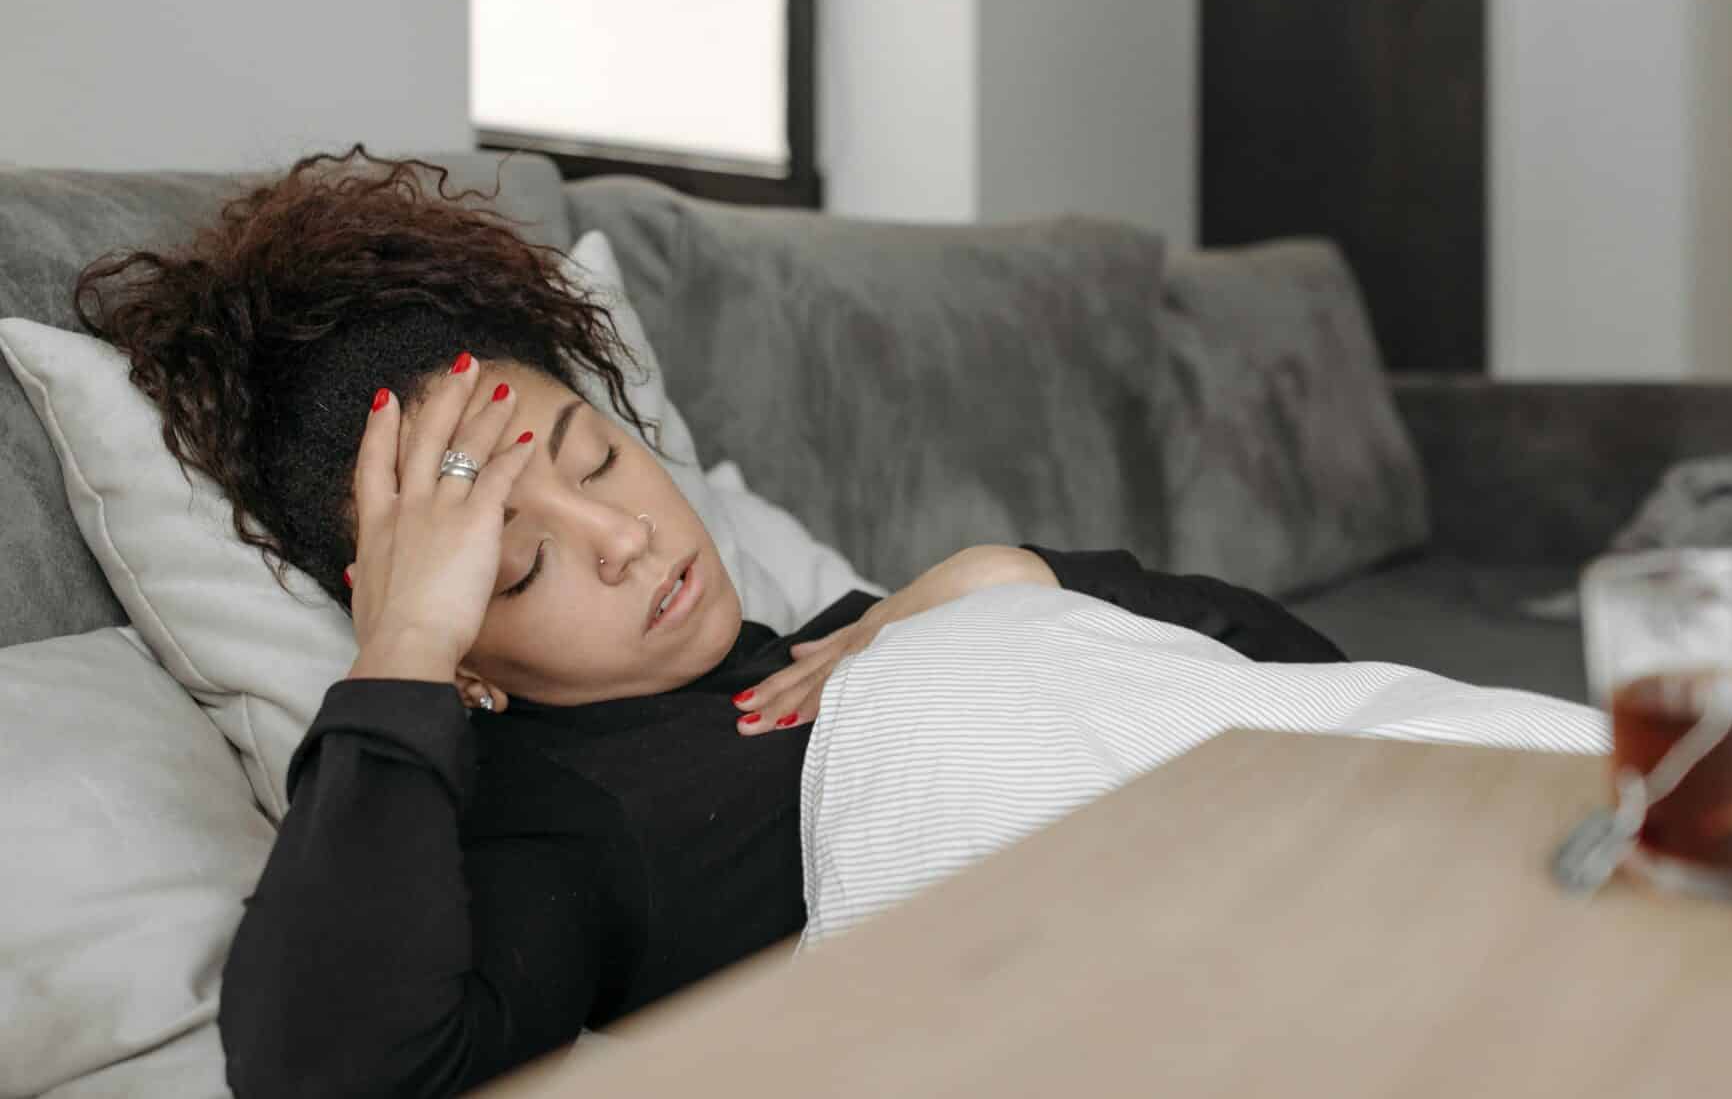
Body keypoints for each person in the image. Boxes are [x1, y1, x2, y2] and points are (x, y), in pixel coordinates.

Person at [77, 148, 1342, 1098]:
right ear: (466, 653)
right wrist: (402, 648)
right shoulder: (568, 823)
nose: (624, 536)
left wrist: (1010, 575)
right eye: (519, 566)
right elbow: (323, 1067)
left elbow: (1308, 681)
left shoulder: (861, 626)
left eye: (597, 457)